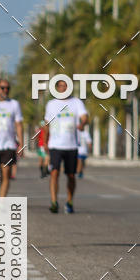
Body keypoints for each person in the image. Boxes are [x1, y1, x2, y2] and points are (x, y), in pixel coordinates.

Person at [44, 79, 88, 213]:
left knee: (71, 176)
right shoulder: (51, 104)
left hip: (71, 146)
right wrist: (45, 141)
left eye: (66, 86)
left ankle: (69, 201)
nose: (64, 88)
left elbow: (85, 116)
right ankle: (54, 201)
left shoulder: (76, 102)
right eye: (61, 86)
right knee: (54, 173)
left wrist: (82, 123)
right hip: (55, 145)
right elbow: (46, 124)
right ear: (57, 88)